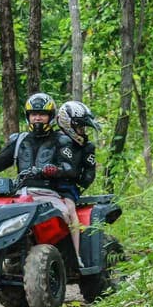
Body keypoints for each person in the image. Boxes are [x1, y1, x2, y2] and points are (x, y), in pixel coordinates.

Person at [0, 92, 83, 262]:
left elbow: (70, 168)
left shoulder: (61, 140)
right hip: (20, 195)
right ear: (28, 116)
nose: (37, 118)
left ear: (50, 116)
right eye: (33, 114)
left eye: (42, 114)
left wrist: (54, 170)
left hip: (49, 195)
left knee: (66, 215)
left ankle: (77, 257)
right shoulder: (20, 140)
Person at [54, 100, 101, 263]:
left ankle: (76, 255)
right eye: (79, 126)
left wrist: (77, 179)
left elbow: (89, 173)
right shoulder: (53, 139)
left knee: (69, 208)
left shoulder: (86, 147)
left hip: (68, 187)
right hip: (44, 185)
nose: (82, 130)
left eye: (83, 127)